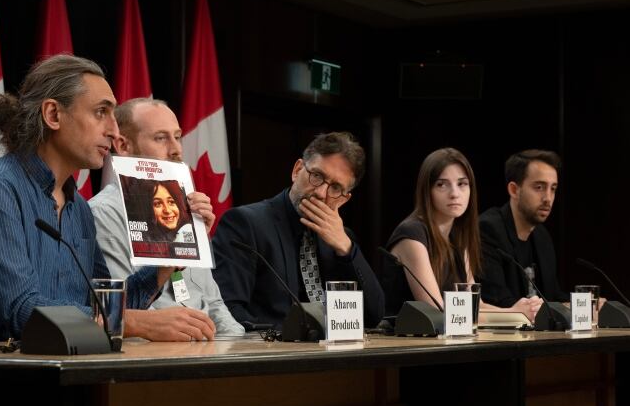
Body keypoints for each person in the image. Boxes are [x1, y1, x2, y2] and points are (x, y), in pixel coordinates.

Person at [0, 55, 215, 343]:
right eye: (101, 112)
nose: (114, 130)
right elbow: (24, 311)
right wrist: (139, 323)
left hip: (49, 364)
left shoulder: (79, 209)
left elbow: (106, 308)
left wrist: (170, 258)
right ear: (53, 115)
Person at [90, 98, 244, 336]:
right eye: (161, 138)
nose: (177, 150)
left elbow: (214, 304)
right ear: (123, 146)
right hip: (152, 352)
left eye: (178, 136)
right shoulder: (104, 213)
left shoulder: (188, 207)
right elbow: (119, 311)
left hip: (206, 349)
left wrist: (237, 347)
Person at [211, 132, 385, 330]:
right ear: (297, 170)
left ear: (344, 199)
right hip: (274, 354)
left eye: (335, 187)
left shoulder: (342, 240)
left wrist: (346, 249)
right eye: (317, 176)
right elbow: (228, 311)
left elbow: (373, 316)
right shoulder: (245, 224)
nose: (321, 193)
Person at [381, 148, 539, 321]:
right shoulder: (411, 234)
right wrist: (513, 315)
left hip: (444, 341)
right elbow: (437, 312)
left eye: (462, 184)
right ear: (427, 191)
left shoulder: (459, 236)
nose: (454, 194)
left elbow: (473, 306)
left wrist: (518, 311)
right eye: (442, 184)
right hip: (404, 342)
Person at [477, 149, 569, 316]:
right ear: (514, 190)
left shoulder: (542, 236)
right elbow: (497, 300)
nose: (548, 198)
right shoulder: (488, 229)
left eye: (553, 188)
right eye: (539, 187)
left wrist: (583, 305)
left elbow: (553, 295)